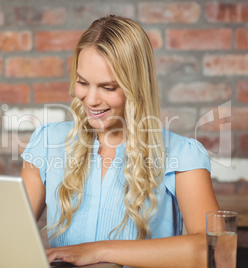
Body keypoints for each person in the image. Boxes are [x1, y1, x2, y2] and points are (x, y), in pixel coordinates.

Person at [20, 15, 219, 267]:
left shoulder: (182, 154)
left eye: (108, 87)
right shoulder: (48, 142)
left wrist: (98, 251)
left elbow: (213, 248)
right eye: (82, 83)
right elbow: (8, 232)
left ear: (135, 87)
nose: (90, 99)